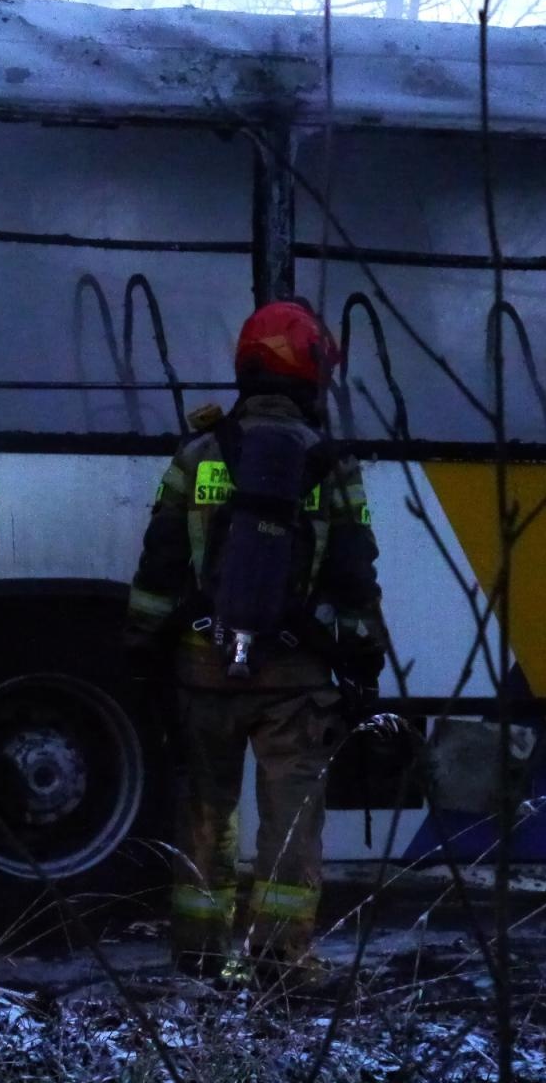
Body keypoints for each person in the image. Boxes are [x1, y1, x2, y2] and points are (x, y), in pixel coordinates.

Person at [124, 299, 385, 985]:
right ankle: (279, 959)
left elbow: (158, 566)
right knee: (291, 820)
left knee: (206, 811)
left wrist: (146, 648)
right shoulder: (331, 466)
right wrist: (363, 657)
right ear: (311, 376)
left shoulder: (197, 455)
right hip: (295, 677)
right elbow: (355, 573)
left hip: (202, 668)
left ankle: (201, 954)